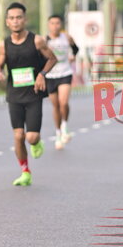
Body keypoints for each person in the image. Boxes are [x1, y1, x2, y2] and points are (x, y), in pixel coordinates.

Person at [0, 3, 57, 187]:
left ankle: (37, 143)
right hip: (14, 94)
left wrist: (42, 74)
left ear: (25, 19)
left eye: (19, 17)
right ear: (7, 22)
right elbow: (0, 64)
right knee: (18, 136)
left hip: (33, 94)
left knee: (31, 137)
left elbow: (52, 58)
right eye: (12, 18)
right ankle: (25, 172)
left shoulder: (37, 41)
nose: (15, 21)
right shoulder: (4, 45)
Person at [45, 14, 79, 149]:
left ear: (61, 25)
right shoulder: (44, 40)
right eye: (52, 23)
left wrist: (73, 56)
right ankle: (58, 132)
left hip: (65, 73)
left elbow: (76, 49)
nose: (55, 26)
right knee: (56, 106)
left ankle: (64, 125)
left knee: (63, 102)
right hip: (50, 75)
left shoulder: (67, 38)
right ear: (48, 25)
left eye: (57, 23)